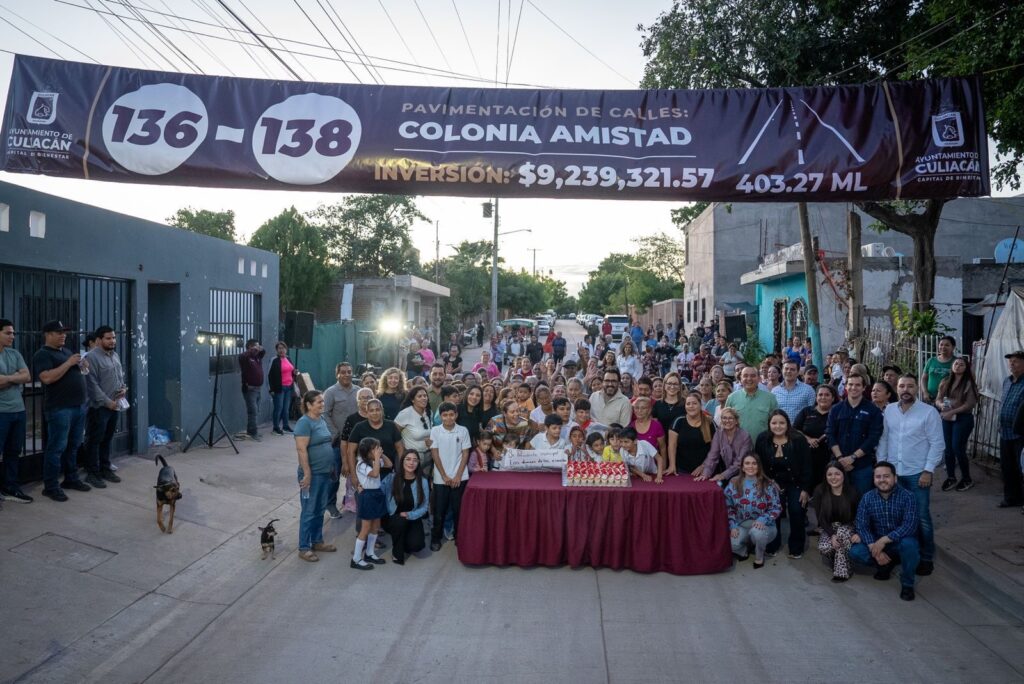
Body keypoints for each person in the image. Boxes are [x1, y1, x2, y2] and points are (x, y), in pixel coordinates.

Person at [876, 374, 944, 576]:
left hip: (917, 474)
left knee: (921, 517)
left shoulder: (929, 413)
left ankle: (926, 557)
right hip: (894, 474)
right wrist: (882, 467)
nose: (906, 389)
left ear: (917, 389)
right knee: (896, 516)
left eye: (910, 386)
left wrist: (928, 470)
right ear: (896, 388)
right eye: (902, 386)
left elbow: (937, 444)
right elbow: (884, 439)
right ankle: (899, 553)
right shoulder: (889, 410)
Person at [33, 321, 91, 502]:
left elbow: (80, 373)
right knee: (56, 448)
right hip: (60, 408)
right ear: (47, 334)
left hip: (78, 406)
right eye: (58, 332)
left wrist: (83, 366)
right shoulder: (43, 354)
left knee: (73, 445)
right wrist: (69, 363)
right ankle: (50, 486)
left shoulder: (65, 352)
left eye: (64, 332)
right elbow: (47, 378)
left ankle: (71, 478)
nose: (63, 335)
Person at [849, 462, 920, 601]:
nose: (882, 480)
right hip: (876, 541)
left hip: (899, 542)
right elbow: (861, 525)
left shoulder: (908, 497)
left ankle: (907, 584)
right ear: (874, 479)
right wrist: (873, 547)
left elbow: (909, 526)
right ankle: (884, 564)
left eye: (886, 476)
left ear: (895, 478)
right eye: (878, 477)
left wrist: (884, 540)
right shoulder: (867, 498)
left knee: (910, 545)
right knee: (856, 552)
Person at [757, 410, 812, 559]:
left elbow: (807, 465)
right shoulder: (762, 439)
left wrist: (805, 489)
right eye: (774, 423)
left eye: (782, 423)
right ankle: (772, 545)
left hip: (796, 483)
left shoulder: (798, 439)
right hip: (772, 482)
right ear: (769, 424)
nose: (778, 426)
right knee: (773, 514)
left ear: (788, 424)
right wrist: (768, 481)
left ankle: (796, 548)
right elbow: (759, 465)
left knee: (796, 511)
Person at [81, 325, 126, 489]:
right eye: (108, 338)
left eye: (113, 337)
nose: (112, 341)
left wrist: (123, 389)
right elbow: (91, 385)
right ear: (99, 340)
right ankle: (92, 473)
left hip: (115, 405)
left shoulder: (114, 355)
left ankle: (105, 468)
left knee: (107, 439)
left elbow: (119, 376)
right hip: (99, 407)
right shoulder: (91, 358)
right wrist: (108, 402)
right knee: (94, 440)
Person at [294, 390, 337, 562]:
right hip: (312, 475)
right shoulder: (304, 423)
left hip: (325, 472)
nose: (322, 404)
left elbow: (327, 442)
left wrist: (331, 466)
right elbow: (301, 449)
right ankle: (304, 547)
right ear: (309, 405)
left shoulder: (322, 419)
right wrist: (307, 473)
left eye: (322, 401)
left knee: (320, 509)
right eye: (318, 402)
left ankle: (317, 541)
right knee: (309, 510)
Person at [826, 372, 884, 496]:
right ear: (846, 386)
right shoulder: (836, 409)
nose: (853, 388)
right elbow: (830, 434)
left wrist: (852, 458)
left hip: (862, 466)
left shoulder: (873, 411)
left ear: (864, 388)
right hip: (838, 465)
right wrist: (841, 459)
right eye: (850, 384)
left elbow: (873, 438)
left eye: (858, 385)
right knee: (839, 504)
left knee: (862, 502)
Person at [725, 454, 781, 568]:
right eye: (747, 463)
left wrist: (763, 519)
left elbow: (776, 507)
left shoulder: (768, 484)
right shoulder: (733, 483)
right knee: (731, 543)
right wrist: (732, 525)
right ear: (742, 467)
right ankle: (744, 550)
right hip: (742, 524)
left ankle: (759, 557)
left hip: (764, 526)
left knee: (757, 533)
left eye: (754, 463)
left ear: (759, 466)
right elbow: (728, 506)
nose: (751, 466)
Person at [429, 402, 471, 550]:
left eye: (451, 414)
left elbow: (465, 453)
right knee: (439, 511)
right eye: (445, 415)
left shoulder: (463, 430)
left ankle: (460, 537)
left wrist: (458, 476)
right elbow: (435, 453)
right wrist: (444, 476)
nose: (448, 418)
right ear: (440, 416)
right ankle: (436, 538)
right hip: (441, 478)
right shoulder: (435, 431)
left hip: (460, 477)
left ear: (456, 415)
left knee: (458, 510)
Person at [812, 461, 862, 582]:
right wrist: (831, 534)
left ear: (843, 475)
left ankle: (841, 572)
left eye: (837, 474)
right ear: (825, 476)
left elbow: (860, 515)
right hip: (830, 526)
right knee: (824, 547)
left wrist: (859, 532)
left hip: (850, 525)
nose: (833, 477)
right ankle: (839, 555)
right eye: (829, 474)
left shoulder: (853, 492)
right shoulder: (820, 490)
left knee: (841, 534)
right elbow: (821, 518)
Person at [935, 356, 978, 492]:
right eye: (956, 364)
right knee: (948, 449)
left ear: (966, 369)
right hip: (947, 419)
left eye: (961, 364)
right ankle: (951, 477)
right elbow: (938, 399)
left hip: (963, 419)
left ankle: (967, 478)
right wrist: (941, 405)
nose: (958, 366)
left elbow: (969, 404)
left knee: (957, 448)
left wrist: (953, 411)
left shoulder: (969, 384)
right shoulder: (945, 381)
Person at [0, 319, 32, 503]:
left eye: (13, 333)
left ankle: (10, 487)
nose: (12, 336)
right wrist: (16, 377)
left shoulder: (14, 353)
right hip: (1, 411)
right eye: (8, 333)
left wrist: (7, 378)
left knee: (13, 451)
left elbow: (27, 376)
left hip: (18, 410)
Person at [383, 451, 429, 565]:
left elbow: (424, 507)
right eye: (408, 459)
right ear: (402, 461)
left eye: (415, 460)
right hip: (393, 517)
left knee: (417, 545)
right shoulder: (392, 478)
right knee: (400, 523)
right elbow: (378, 492)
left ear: (418, 463)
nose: (411, 463)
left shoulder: (422, 481)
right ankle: (397, 553)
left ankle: (402, 538)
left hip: (411, 517)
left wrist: (410, 515)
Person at [351, 437, 390, 570]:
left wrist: (381, 454)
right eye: (374, 448)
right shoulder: (361, 464)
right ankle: (356, 559)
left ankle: (370, 553)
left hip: (377, 493)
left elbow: (389, 464)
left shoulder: (375, 460)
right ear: (366, 451)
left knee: (376, 526)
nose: (377, 450)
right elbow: (374, 474)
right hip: (367, 495)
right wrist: (377, 458)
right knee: (366, 528)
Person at [347, 399, 404, 486]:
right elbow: (350, 452)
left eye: (377, 410)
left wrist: (401, 470)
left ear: (382, 411)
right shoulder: (359, 427)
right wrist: (353, 476)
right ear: (367, 413)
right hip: (366, 474)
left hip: (388, 472)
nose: (375, 413)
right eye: (371, 410)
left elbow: (400, 448)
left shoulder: (391, 425)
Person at [794, 384, 838, 495]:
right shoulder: (807, 411)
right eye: (820, 395)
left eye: (827, 395)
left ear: (833, 398)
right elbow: (794, 429)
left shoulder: (837, 412)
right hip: (808, 457)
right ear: (816, 397)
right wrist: (808, 439)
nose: (823, 397)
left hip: (830, 458)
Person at [997, 350, 1024, 509]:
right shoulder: (1007, 381)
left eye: (1016, 361)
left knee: (1022, 468)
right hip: (1005, 431)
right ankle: (1010, 498)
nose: (1012, 364)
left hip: (1020, 432)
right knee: (1007, 467)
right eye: (1010, 361)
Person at [695, 406, 750, 484]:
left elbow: (740, 462)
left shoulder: (745, 436)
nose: (727, 421)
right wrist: (706, 474)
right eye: (724, 418)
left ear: (736, 421)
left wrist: (723, 475)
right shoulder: (718, 433)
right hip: (725, 471)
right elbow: (713, 455)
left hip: (743, 474)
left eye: (730, 418)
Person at [667, 392, 716, 476]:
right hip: (682, 470)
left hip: (704, 471)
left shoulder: (709, 423)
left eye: (694, 403)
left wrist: (704, 465)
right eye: (688, 404)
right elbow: (672, 445)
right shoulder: (678, 421)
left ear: (700, 405)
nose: (691, 406)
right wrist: (672, 465)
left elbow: (715, 449)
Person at [725, 366, 780, 438]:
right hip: (737, 446)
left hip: (763, 444)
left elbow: (776, 423)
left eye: (753, 376)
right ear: (741, 379)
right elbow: (725, 423)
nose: (749, 379)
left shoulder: (770, 398)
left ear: (759, 379)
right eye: (745, 376)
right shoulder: (732, 398)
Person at [267, 341, 296, 435]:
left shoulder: (289, 358)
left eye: (283, 348)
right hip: (279, 388)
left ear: (286, 349)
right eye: (279, 348)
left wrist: (295, 372)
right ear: (276, 350)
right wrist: (270, 389)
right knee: (278, 408)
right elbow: (269, 375)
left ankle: (286, 426)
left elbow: (292, 371)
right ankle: (275, 428)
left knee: (286, 409)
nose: (281, 350)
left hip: (289, 387)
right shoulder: (274, 360)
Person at [239, 338, 265, 441]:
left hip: (258, 388)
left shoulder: (257, 357)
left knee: (256, 410)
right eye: (256, 346)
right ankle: (253, 433)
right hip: (250, 389)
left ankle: (251, 431)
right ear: (250, 347)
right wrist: (252, 350)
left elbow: (263, 352)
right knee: (253, 411)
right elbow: (243, 356)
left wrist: (260, 349)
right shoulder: (245, 357)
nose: (258, 349)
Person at [922, 336, 956, 404]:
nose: (943, 347)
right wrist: (925, 392)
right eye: (941, 344)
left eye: (947, 345)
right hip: (930, 398)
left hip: (947, 399)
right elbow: (924, 378)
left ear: (953, 347)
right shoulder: (931, 361)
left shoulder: (956, 362)